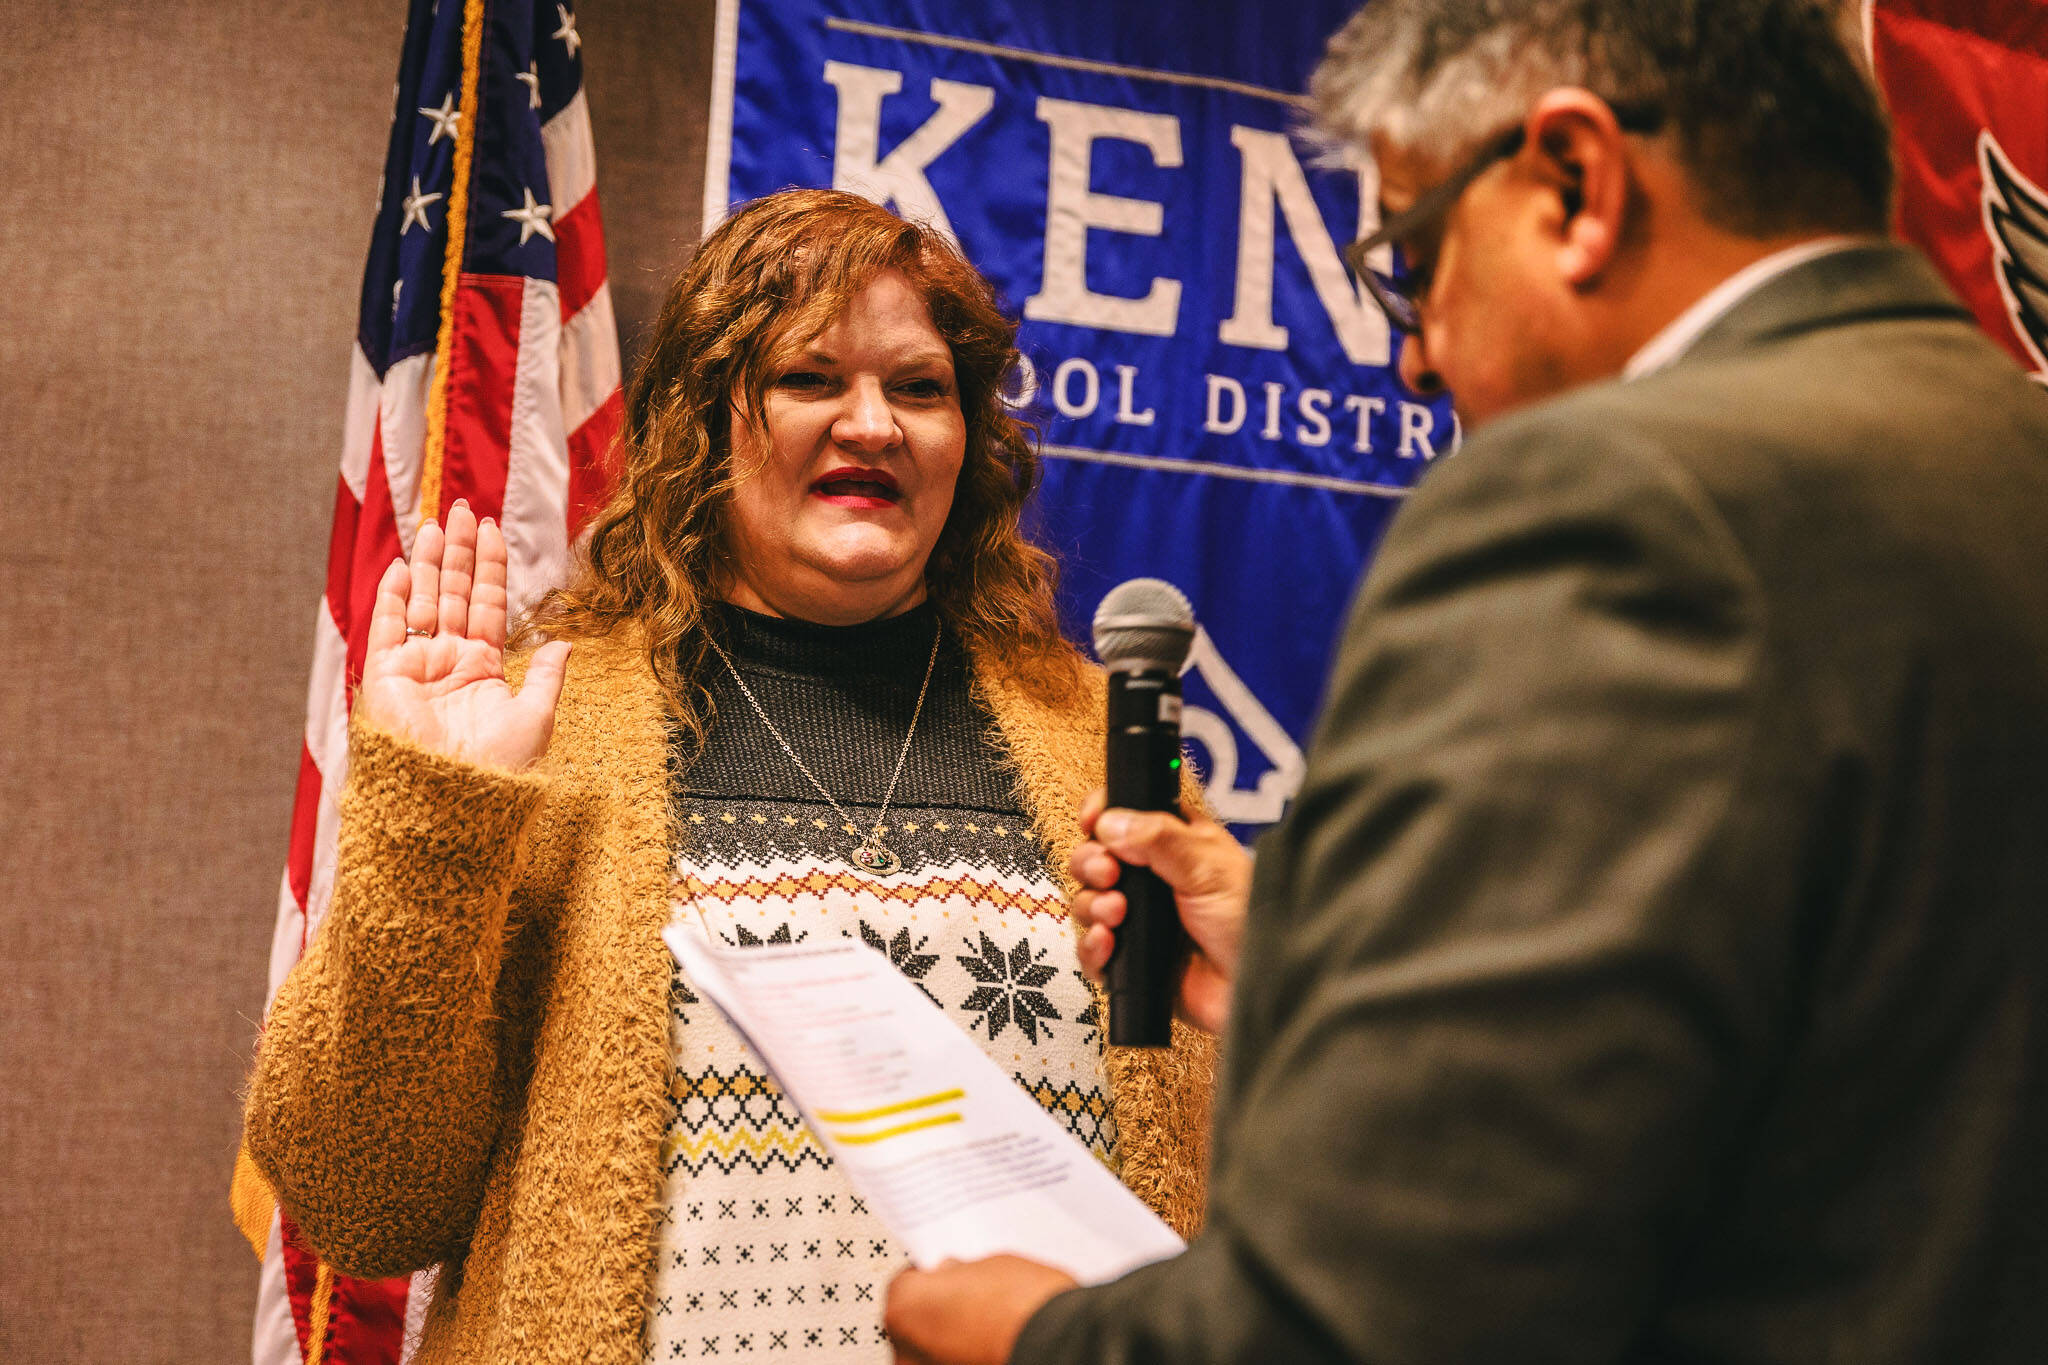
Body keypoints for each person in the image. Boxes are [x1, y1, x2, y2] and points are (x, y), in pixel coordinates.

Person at [885, 1, 2048, 1361]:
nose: (1410, 352)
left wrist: (1027, 1336)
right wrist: (1322, 982)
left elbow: (1382, 1322)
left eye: (1410, 259)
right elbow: (1863, 1079)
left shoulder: (1611, 503)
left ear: (1573, 184)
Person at [242, 188, 1214, 1365]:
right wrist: (438, 828)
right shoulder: (546, 725)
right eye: (811, 379)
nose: (875, 425)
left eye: (919, 388)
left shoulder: (1102, 737)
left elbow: (1229, 1175)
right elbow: (362, 1197)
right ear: (703, 422)